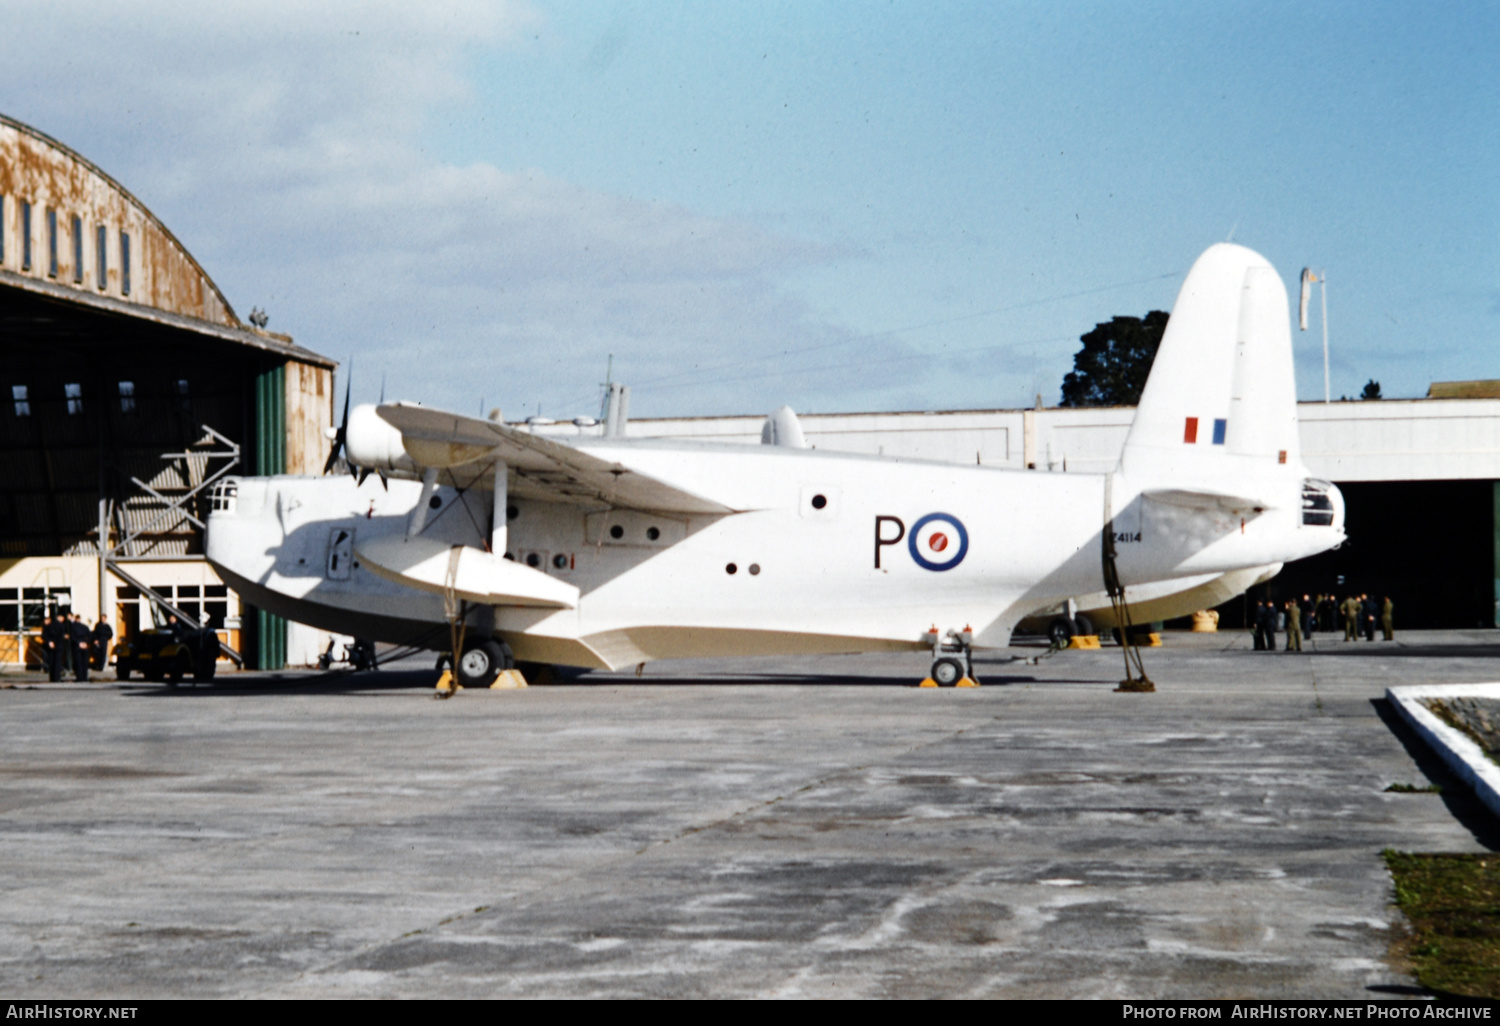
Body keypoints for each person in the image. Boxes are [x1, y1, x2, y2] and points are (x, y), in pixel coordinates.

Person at [41, 611, 66, 681]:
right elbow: (61, 636)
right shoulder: (61, 625)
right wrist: (56, 643)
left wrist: (50, 642)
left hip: (50, 645)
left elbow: (44, 635)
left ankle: (52, 677)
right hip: (58, 645)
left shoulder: (48, 625)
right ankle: (57, 678)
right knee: (57, 662)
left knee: (51, 662)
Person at [69, 613, 92, 681]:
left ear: (75, 619)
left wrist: (79, 643)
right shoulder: (85, 627)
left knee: (78, 663)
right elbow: (90, 636)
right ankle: (85, 677)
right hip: (85, 646)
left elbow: (72, 637)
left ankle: (79, 677)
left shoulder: (72, 627)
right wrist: (86, 643)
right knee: (85, 663)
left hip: (77, 646)